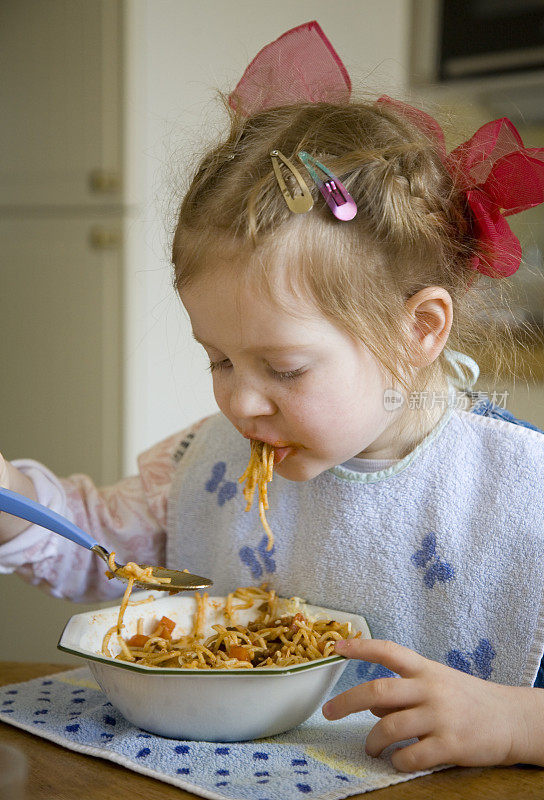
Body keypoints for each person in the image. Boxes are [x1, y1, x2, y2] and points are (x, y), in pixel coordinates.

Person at [2, 21, 544, 773]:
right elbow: (102, 550)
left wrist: (520, 721)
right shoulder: (209, 463)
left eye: (284, 370)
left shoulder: (521, 494)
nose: (240, 404)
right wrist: (9, 496)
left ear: (420, 329)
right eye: (218, 360)